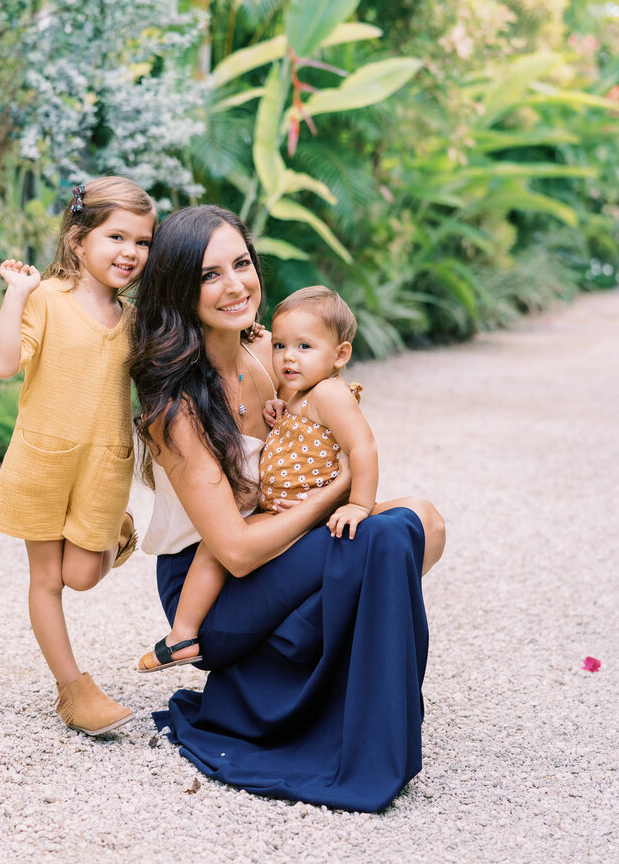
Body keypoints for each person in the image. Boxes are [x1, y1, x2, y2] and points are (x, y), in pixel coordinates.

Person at [130, 205, 446, 812]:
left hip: (273, 545)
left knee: (421, 524)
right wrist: (343, 492)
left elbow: (300, 454)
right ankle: (321, 712)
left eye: (241, 264)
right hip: (216, 588)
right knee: (395, 532)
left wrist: (348, 482)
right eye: (208, 275)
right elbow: (239, 551)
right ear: (178, 288)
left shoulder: (265, 358)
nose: (235, 285)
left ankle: (302, 692)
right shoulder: (175, 407)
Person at [0, 176, 156, 736]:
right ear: (79, 240)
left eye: (142, 241)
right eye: (117, 237)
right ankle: (73, 689)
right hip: (44, 460)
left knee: (82, 575)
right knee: (48, 581)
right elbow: (3, 363)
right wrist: (17, 293)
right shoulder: (46, 301)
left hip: (106, 463)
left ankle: (116, 532)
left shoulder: (136, 318)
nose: (130, 252)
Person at [136, 283, 378, 673]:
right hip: (286, 508)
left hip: (311, 507)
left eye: (304, 347)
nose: (287, 357)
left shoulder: (331, 393)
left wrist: (357, 504)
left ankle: (182, 634)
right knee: (218, 546)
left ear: (340, 355)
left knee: (405, 526)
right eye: (280, 345)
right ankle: (185, 632)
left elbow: (363, 448)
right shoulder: (296, 394)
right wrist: (282, 412)